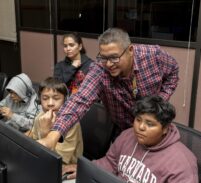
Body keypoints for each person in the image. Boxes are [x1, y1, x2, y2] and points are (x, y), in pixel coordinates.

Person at [38, 27, 179, 150]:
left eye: (114, 57)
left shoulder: (153, 56)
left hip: (152, 128)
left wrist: (160, 100)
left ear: (130, 50)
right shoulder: (100, 69)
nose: (109, 64)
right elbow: (79, 100)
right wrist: (53, 136)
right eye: (104, 57)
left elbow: (173, 70)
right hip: (122, 129)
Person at [62, 96, 198, 183]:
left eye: (150, 124)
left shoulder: (183, 161)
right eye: (138, 120)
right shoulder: (127, 135)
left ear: (165, 129)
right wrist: (87, 168)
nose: (141, 127)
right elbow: (110, 162)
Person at [25, 77, 83, 165]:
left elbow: (59, 158)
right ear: (39, 100)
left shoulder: (71, 123)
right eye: (45, 98)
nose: (50, 103)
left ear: (65, 100)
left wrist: (45, 132)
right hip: (42, 159)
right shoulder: (40, 117)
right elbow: (34, 139)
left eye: (56, 98)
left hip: (65, 165)